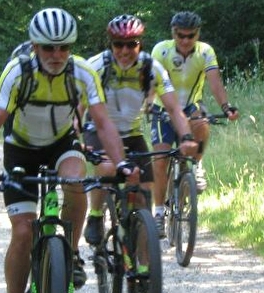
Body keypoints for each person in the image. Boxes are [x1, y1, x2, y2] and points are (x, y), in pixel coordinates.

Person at [0, 8, 138, 293]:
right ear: (35, 47)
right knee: (24, 233)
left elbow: (102, 123)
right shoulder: (18, 72)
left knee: (75, 180)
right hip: (21, 149)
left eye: (63, 48)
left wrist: (120, 163)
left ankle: (70, 254)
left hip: (61, 143)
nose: (56, 56)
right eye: (48, 49)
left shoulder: (83, 73)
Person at [82, 15, 198, 248]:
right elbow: (78, 108)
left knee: (144, 196)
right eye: (118, 44)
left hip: (133, 134)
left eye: (131, 44)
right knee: (106, 168)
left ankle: (144, 271)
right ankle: (95, 215)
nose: (124, 51)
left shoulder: (151, 68)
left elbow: (174, 108)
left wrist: (185, 137)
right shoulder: (96, 66)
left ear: (140, 44)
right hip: (100, 130)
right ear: (110, 44)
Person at [150, 11, 239, 207]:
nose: (185, 40)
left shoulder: (205, 51)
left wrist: (226, 106)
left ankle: (196, 164)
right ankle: (157, 211)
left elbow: (215, 81)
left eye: (191, 35)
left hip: (191, 105)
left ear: (198, 34)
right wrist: (148, 105)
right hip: (162, 107)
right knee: (160, 159)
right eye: (180, 35)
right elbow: (151, 81)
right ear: (173, 33)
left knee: (203, 122)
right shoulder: (161, 50)